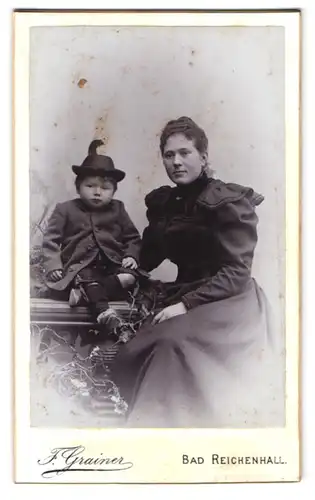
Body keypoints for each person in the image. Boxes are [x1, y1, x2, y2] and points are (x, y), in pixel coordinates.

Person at [112, 116, 281, 428]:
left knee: (170, 343)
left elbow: (236, 273)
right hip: (186, 294)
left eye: (185, 153)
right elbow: (150, 251)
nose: (176, 162)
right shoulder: (167, 203)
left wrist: (184, 305)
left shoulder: (227, 202)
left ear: (203, 158)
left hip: (228, 302)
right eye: (169, 155)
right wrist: (131, 266)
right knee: (136, 346)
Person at [42, 140, 142, 345]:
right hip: (80, 268)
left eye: (105, 188)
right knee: (86, 278)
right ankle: (109, 319)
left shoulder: (118, 209)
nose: (98, 192)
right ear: (78, 187)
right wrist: (54, 266)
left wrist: (131, 255)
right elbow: (51, 240)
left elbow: (133, 238)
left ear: (113, 191)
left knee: (129, 279)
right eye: (90, 186)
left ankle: (83, 294)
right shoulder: (65, 209)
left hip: (110, 267)